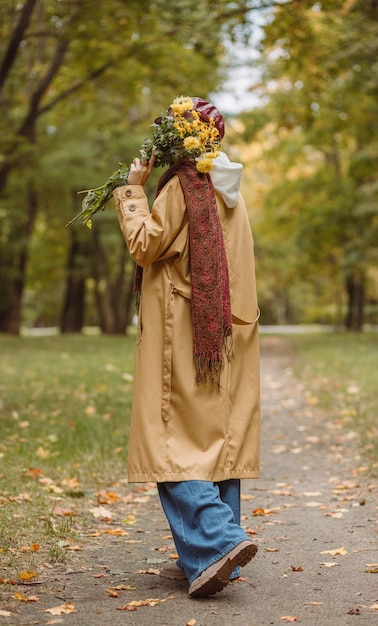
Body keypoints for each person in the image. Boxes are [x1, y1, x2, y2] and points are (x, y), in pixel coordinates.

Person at [113, 96, 260, 598]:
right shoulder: (229, 189)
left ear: (176, 142)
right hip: (228, 332)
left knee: (169, 440)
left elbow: (145, 245)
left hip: (186, 332)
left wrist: (131, 192)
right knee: (216, 443)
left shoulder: (180, 187)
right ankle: (206, 558)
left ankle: (217, 541)